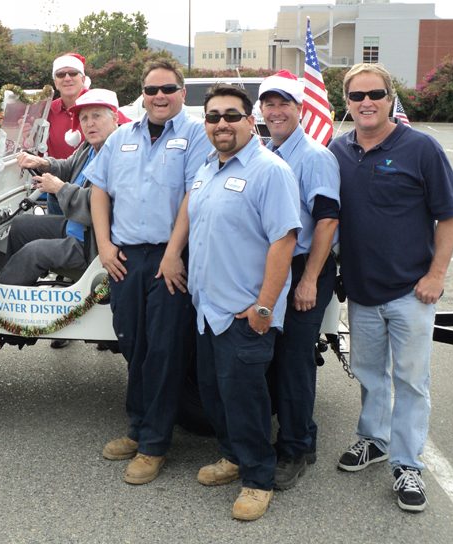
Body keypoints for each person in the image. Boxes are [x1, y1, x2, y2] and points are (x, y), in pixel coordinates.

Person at [162, 84, 301, 520]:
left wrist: (263, 307)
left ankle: (258, 479)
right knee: (215, 395)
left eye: (231, 116)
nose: (221, 124)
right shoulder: (207, 168)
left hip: (245, 313)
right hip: (208, 311)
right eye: (213, 117)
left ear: (250, 120)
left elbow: (284, 241)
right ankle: (232, 455)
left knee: (246, 399)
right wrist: (171, 252)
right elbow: (192, 212)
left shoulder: (270, 170)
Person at [329, 63, 453, 512]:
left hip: (412, 291)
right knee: (371, 376)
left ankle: (407, 465)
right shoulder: (337, 151)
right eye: (357, 95)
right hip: (363, 293)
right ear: (346, 101)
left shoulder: (421, 148)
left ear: (391, 97)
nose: (366, 102)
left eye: (376, 93)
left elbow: (450, 214)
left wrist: (437, 275)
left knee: (410, 381)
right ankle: (374, 439)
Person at [87, 59, 212, 485]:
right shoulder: (121, 136)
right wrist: (104, 246)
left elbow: (194, 195)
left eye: (168, 89)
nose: (160, 96)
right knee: (133, 343)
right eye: (152, 89)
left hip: (169, 258)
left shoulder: (196, 135)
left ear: (182, 92)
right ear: (142, 93)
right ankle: (138, 426)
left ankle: (155, 444)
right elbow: (99, 190)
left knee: (163, 349)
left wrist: (174, 252)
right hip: (125, 258)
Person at [258, 70, 341, 490]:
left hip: (307, 265)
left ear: (301, 109)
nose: (275, 111)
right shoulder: (271, 152)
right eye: (268, 104)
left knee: (294, 360)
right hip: (280, 265)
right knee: (276, 356)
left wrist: (309, 280)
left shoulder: (314, 156)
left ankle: (295, 448)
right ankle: (296, 438)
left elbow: (326, 221)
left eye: (283, 104)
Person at [0, 89, 124, 286]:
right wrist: (41, 162)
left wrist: (59, 188)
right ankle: (14, 284)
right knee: (21, 225)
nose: (89, 123)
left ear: (115, 117)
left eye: (97, 116)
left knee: (33, 252)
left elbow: (101, 207)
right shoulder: (90, 147)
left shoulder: (121, 154)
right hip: (75, 226)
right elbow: (68, 166)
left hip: (90, 243)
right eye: (84, 118)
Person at [45, 53, 90, 216]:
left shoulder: (97, 106)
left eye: (73, 73)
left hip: (89, 194)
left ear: (83, 79)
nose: (67, 78)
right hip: (56, 191)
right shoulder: (46, 111)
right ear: (55, 82)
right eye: (61, 74)